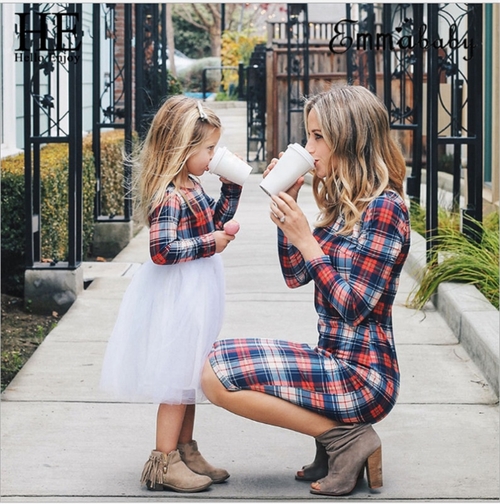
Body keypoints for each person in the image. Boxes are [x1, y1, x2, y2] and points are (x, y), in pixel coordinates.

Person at [201, 85, 411, 497]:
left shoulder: (385, 208)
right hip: (332, 359)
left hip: (364, 376)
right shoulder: (342, 202)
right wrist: (289, 217)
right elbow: (296, 275)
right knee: (212, 360)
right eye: (309, 135)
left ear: (348, 139)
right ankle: (334, 440)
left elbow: (354, 307)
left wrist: (307, 240)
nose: (308, 148)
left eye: (318, 137)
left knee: (215, 378)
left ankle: (347, 440)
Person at [100, 96, 242, 493]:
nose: (214, 156)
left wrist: (230, 191)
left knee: (189, 375)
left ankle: (186, 451)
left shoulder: (192, 185)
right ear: (182, 149)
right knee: (175, 379)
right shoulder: (169, 196)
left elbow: (214, 220)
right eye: (209, 149)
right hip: (180, 293)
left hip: (197, 291)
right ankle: (163, 462)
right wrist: (209, 244)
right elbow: (162, 252)